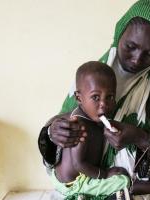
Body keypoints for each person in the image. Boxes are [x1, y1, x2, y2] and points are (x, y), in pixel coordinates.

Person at [38, 1, 150, 199]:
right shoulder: (89, 78)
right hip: (85, 188)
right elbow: (60, 141)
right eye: (130, 47)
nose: (137, 59)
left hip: (142, 192)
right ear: (119, 35)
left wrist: (141, 138)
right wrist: (53, 132)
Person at [51, 61, 131, 199]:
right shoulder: (79, 126)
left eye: (110, 97)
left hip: (79, 177)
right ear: (78, 98)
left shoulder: (93, 118)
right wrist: (104, 174)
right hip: (73, 183)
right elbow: (79, 164)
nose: (103, 105)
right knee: (122, 180)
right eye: (95, 97)